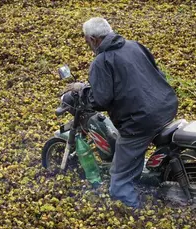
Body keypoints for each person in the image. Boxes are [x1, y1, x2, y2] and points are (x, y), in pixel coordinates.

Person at [71, 17, 178, 209]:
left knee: (119, 179)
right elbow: (156, 73)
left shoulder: (101, 61)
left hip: (141, 121)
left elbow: (101, 100)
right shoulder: (134, 46)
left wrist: (84, 93)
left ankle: (132, 211)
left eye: (86, 39)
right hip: (165, 107)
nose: (86, 43)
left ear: (94, 39)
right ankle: (142, 177)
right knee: (131, 151)